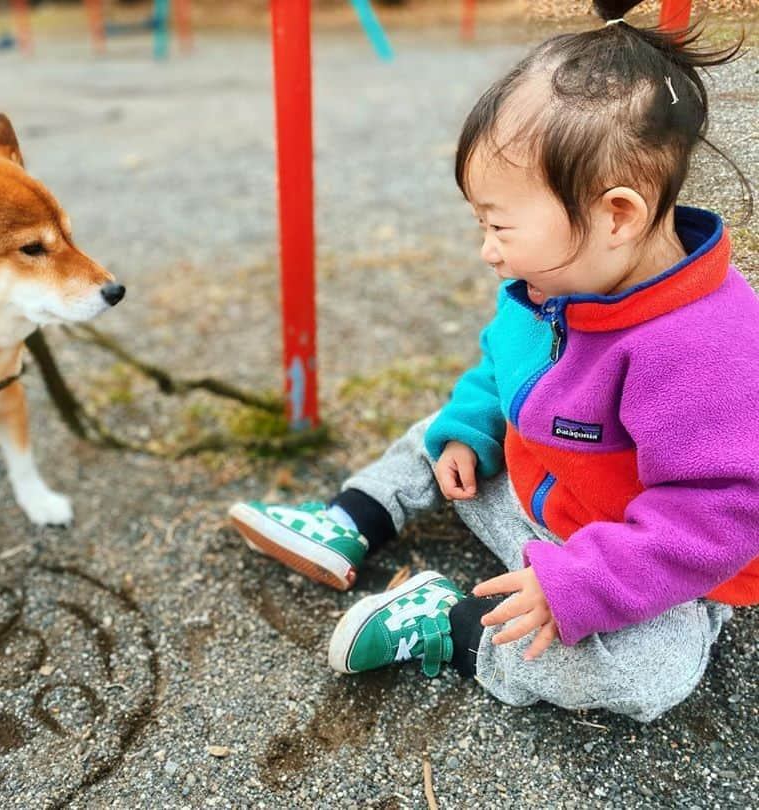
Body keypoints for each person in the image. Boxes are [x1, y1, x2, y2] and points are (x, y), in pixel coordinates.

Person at [228, 0, 759, 722]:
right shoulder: (559, 277)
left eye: (500, 224)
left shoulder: (706, 347)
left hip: (645, 563)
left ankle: (446, 622)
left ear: (618, 213)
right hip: (538, 495)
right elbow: (503, 366)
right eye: (482, 223)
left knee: (647, 677)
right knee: (443, 433)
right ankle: (355, 515)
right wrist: (468, 427)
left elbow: (715, 519)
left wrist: (582, 583)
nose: (488, 249)